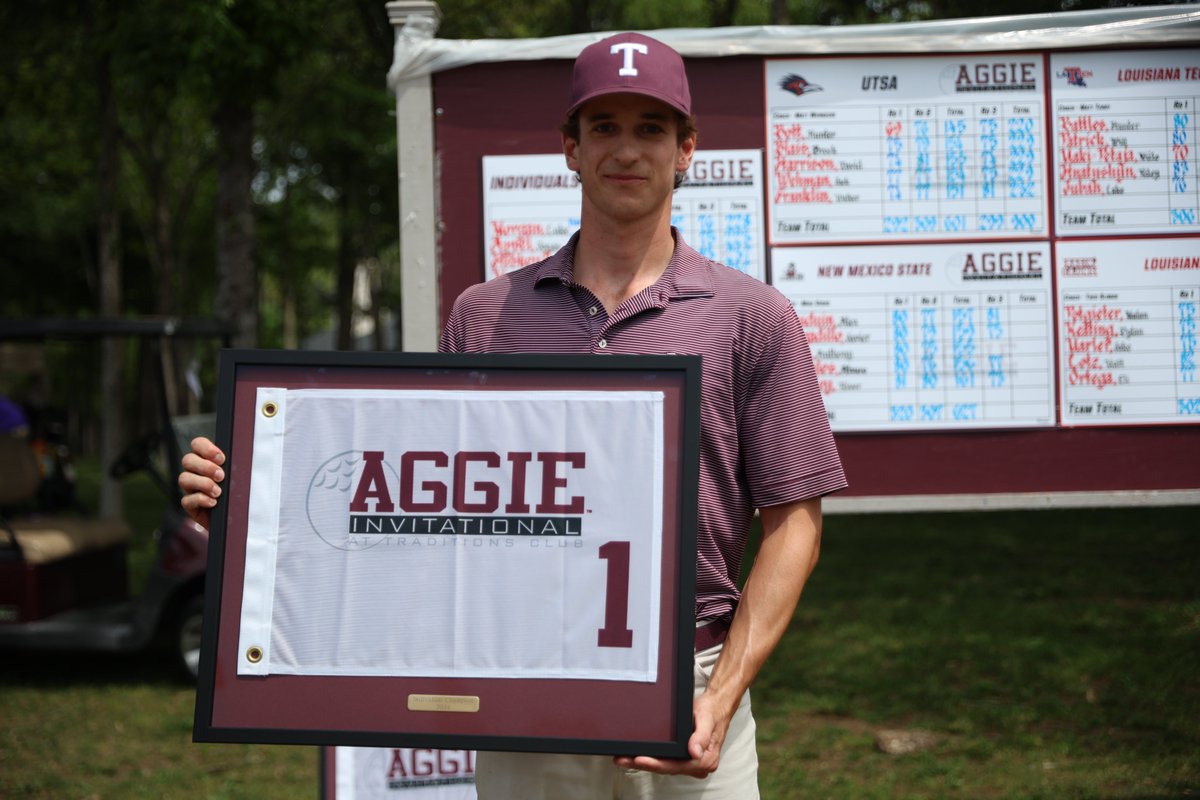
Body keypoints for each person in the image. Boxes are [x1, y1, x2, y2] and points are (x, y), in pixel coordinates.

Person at [180, 31, 846, 800]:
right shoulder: (485, 314)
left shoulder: (751, 315)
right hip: (525, 681)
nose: (626, 149)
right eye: (603, 127)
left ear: (687, 148)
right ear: (569, 147)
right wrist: (248, 513)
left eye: (650, 128)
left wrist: (721, 697)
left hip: (691, 686)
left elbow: (795, 522)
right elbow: (423, 506)